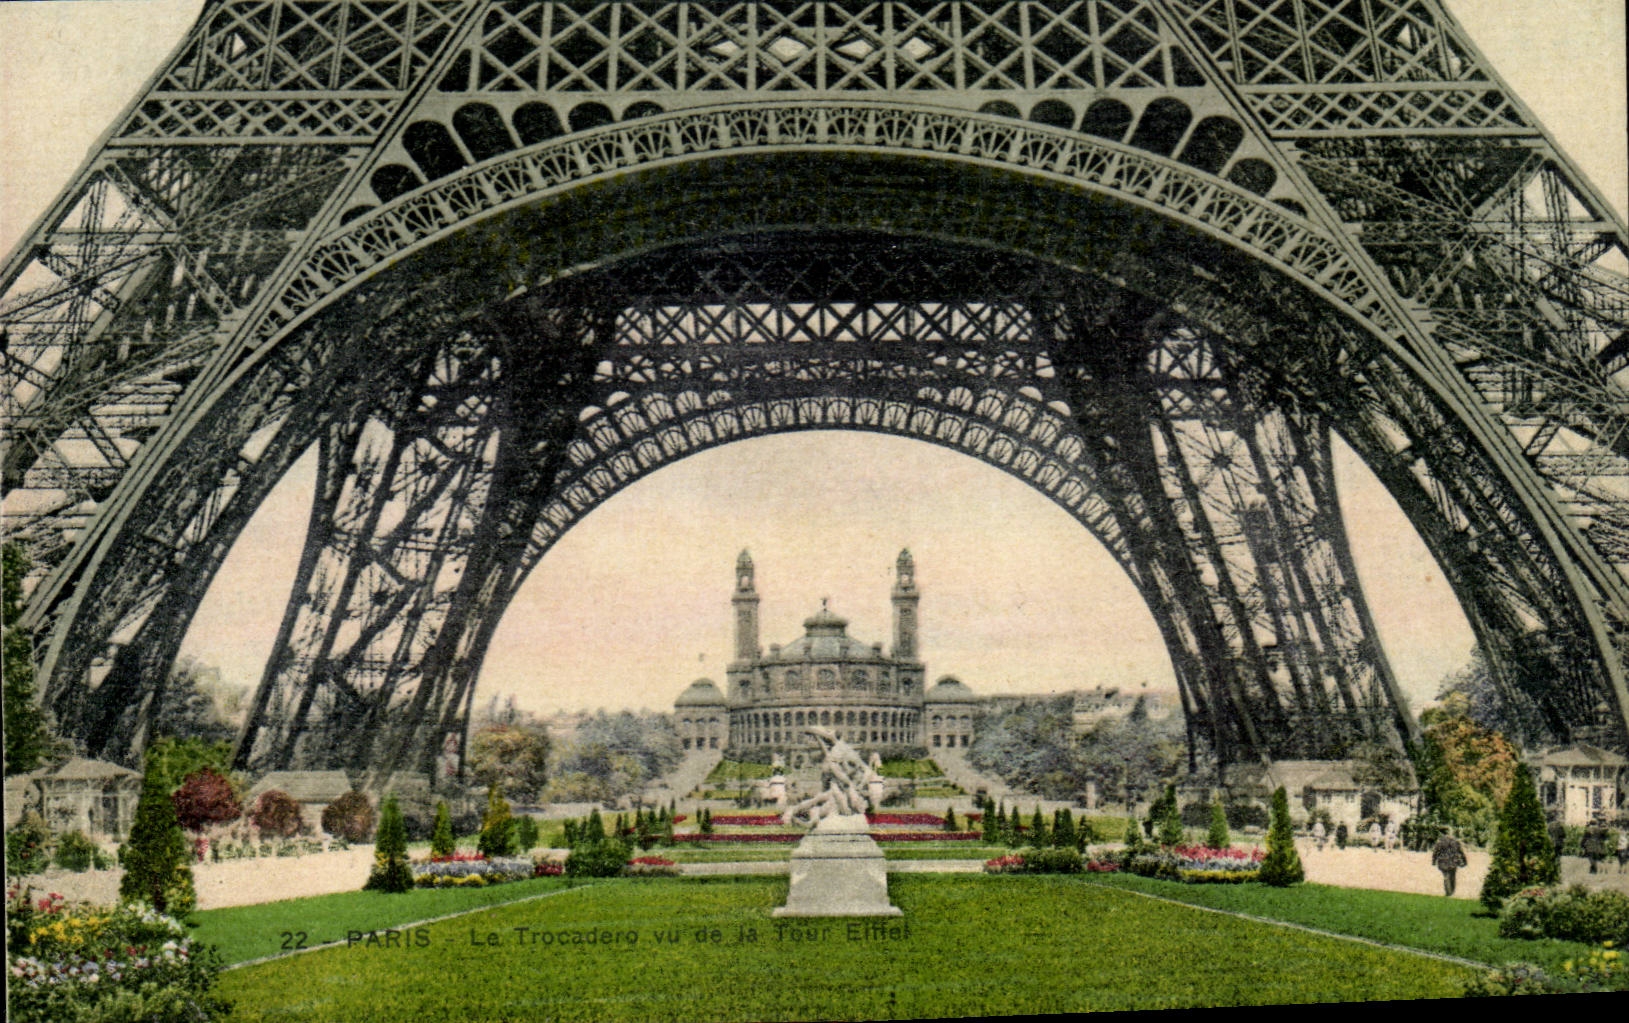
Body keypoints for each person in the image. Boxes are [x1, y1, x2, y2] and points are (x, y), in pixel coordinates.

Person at [1430, 831, 1468, 896]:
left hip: (1443, 862)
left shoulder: (1440, 842)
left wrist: (1433, 861)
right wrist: (1464, 861)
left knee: (1446, 876)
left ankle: (1448, 892)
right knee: (1452, 876)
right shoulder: (1455, 841)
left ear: (1442, 833)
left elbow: (1435, 852)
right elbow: (1461, 852)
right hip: (1453, 862)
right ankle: (1452, 891)